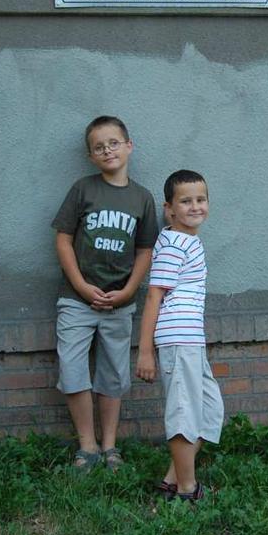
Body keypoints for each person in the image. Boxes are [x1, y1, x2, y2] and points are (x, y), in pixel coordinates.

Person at [51, 115, 158, 471]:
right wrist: (81, 286)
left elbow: (145, 250)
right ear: (91, 156)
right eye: (99, 147)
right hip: (76, 300)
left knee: (113, 373)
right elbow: (63, 238)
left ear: (129, 146)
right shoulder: (83, 189)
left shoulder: (142, 198)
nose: (107, 150)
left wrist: (129, 290)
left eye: (113, 142)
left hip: (119, 303)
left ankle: (110, 445)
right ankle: (88, 445)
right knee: (72, 370)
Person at [136, 169, 224, 501]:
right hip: (176, 339)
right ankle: (188, 489)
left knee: (209, 410)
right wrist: (145, 351)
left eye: (200, 199)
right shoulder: (174, 242)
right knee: (184, 411)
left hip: (191, 340)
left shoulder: (188, 240)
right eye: (185, 201)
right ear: (169, 208)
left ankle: (173, 479)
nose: (195, 206)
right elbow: (154, 296)